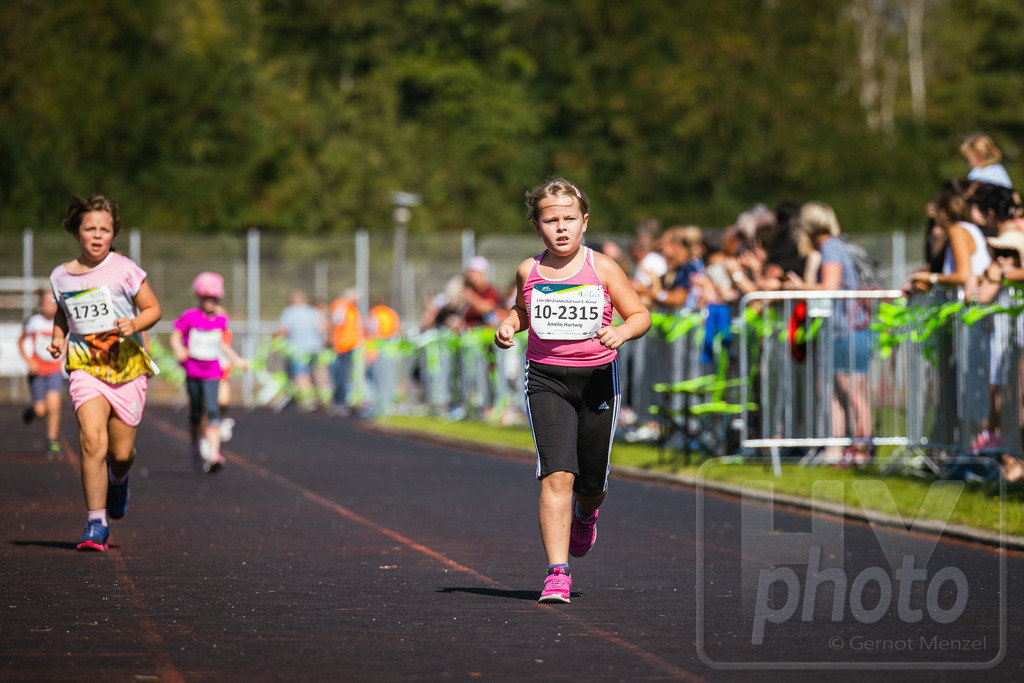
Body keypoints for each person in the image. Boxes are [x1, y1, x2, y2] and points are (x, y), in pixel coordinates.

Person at [494, 178, 651, 603]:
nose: (561, 228)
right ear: (537, 225)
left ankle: (587, 514)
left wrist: (621, 332)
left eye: (568, 219)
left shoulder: (601, 268)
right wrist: (509, 326)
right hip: (546, 378)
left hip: (597, 378)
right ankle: (557, 573)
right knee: (556, 473)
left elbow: (640, 314)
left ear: (584, 222)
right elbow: (522, 310)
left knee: (592, 480)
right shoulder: (530, 270)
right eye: (551, 220)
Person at [47, 194, 161, 552]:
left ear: (113, 234)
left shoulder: (124, 269)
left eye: (104, 230)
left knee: (121, 453)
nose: (97, 236)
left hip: (125, 367)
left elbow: (153, 308)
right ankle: (96, 522)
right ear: (76, 232)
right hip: (85, 367)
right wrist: (57, 338)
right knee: (92, 440)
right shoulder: (61, 276)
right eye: (90, 229)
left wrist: (135, 323)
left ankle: (119, 479)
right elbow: (63, 312)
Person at [784, 201, 872, 465]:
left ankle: (862, 449)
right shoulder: (831, 246)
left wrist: (801, 288)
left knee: (852, 391)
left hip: (848, 328)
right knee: (834, 392)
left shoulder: (831, 247)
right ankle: (837, 448)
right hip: (840, 329)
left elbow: (830, 286)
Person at [169, 272, 249, 473]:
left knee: (212, 409)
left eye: (213, 298)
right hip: (193, 371)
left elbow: (221, 344)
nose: (209, 302)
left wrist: (236, 359)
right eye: (205, 298)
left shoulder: (221, 320)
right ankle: (195, 447)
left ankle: (214, 453)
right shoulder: (190, 317)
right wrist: (179, 350)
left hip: (212, 372)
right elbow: (175, 336)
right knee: (196, 412)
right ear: (198, 297)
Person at [18, 289, 65, 459]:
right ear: (41, 304)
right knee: (41, 410)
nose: (49, 305)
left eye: (51, 301)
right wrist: (29, 362)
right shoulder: (34, 322)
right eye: (45, 301)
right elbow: (21, 341)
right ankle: (32, 411)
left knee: (55, 405)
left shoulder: (62, 322)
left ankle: (52, 441)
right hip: (38, 371)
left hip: (54, 370)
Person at [274, 289, 328, 412]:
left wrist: (274, 337)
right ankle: (322, 398)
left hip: (298, 349)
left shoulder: (290, 312)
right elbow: (322, 327)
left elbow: (283, 329)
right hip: (315, 347)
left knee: (301, 375)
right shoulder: (313, 312)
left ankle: (307, 400)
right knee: (317, 373)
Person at [328, 288, 362, 416]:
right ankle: (339, 402)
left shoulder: (349, 306)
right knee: (342, 375)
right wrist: (333, 340)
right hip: (343, 345)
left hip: (349, 344)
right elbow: (336, 323)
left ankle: (340, 401)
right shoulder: (342, 305)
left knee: (344, 375)